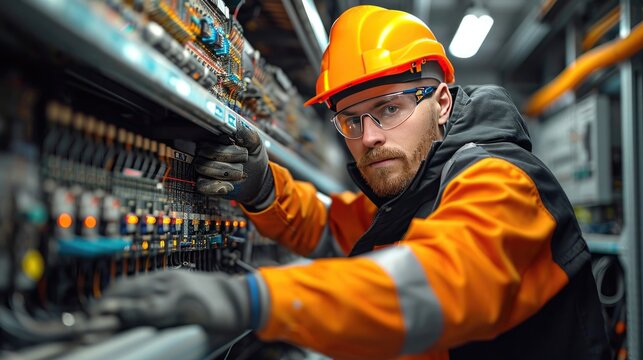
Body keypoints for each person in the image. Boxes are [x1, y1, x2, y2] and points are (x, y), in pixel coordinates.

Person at [94, 5, 611, 359]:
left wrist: (251, 300)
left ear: (442, 102)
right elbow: (336, 227)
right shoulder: (420, 190)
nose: (369, 137)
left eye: (389, 108)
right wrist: (264, 191)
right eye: (350, 120)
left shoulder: (499, 181)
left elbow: (433, 285)